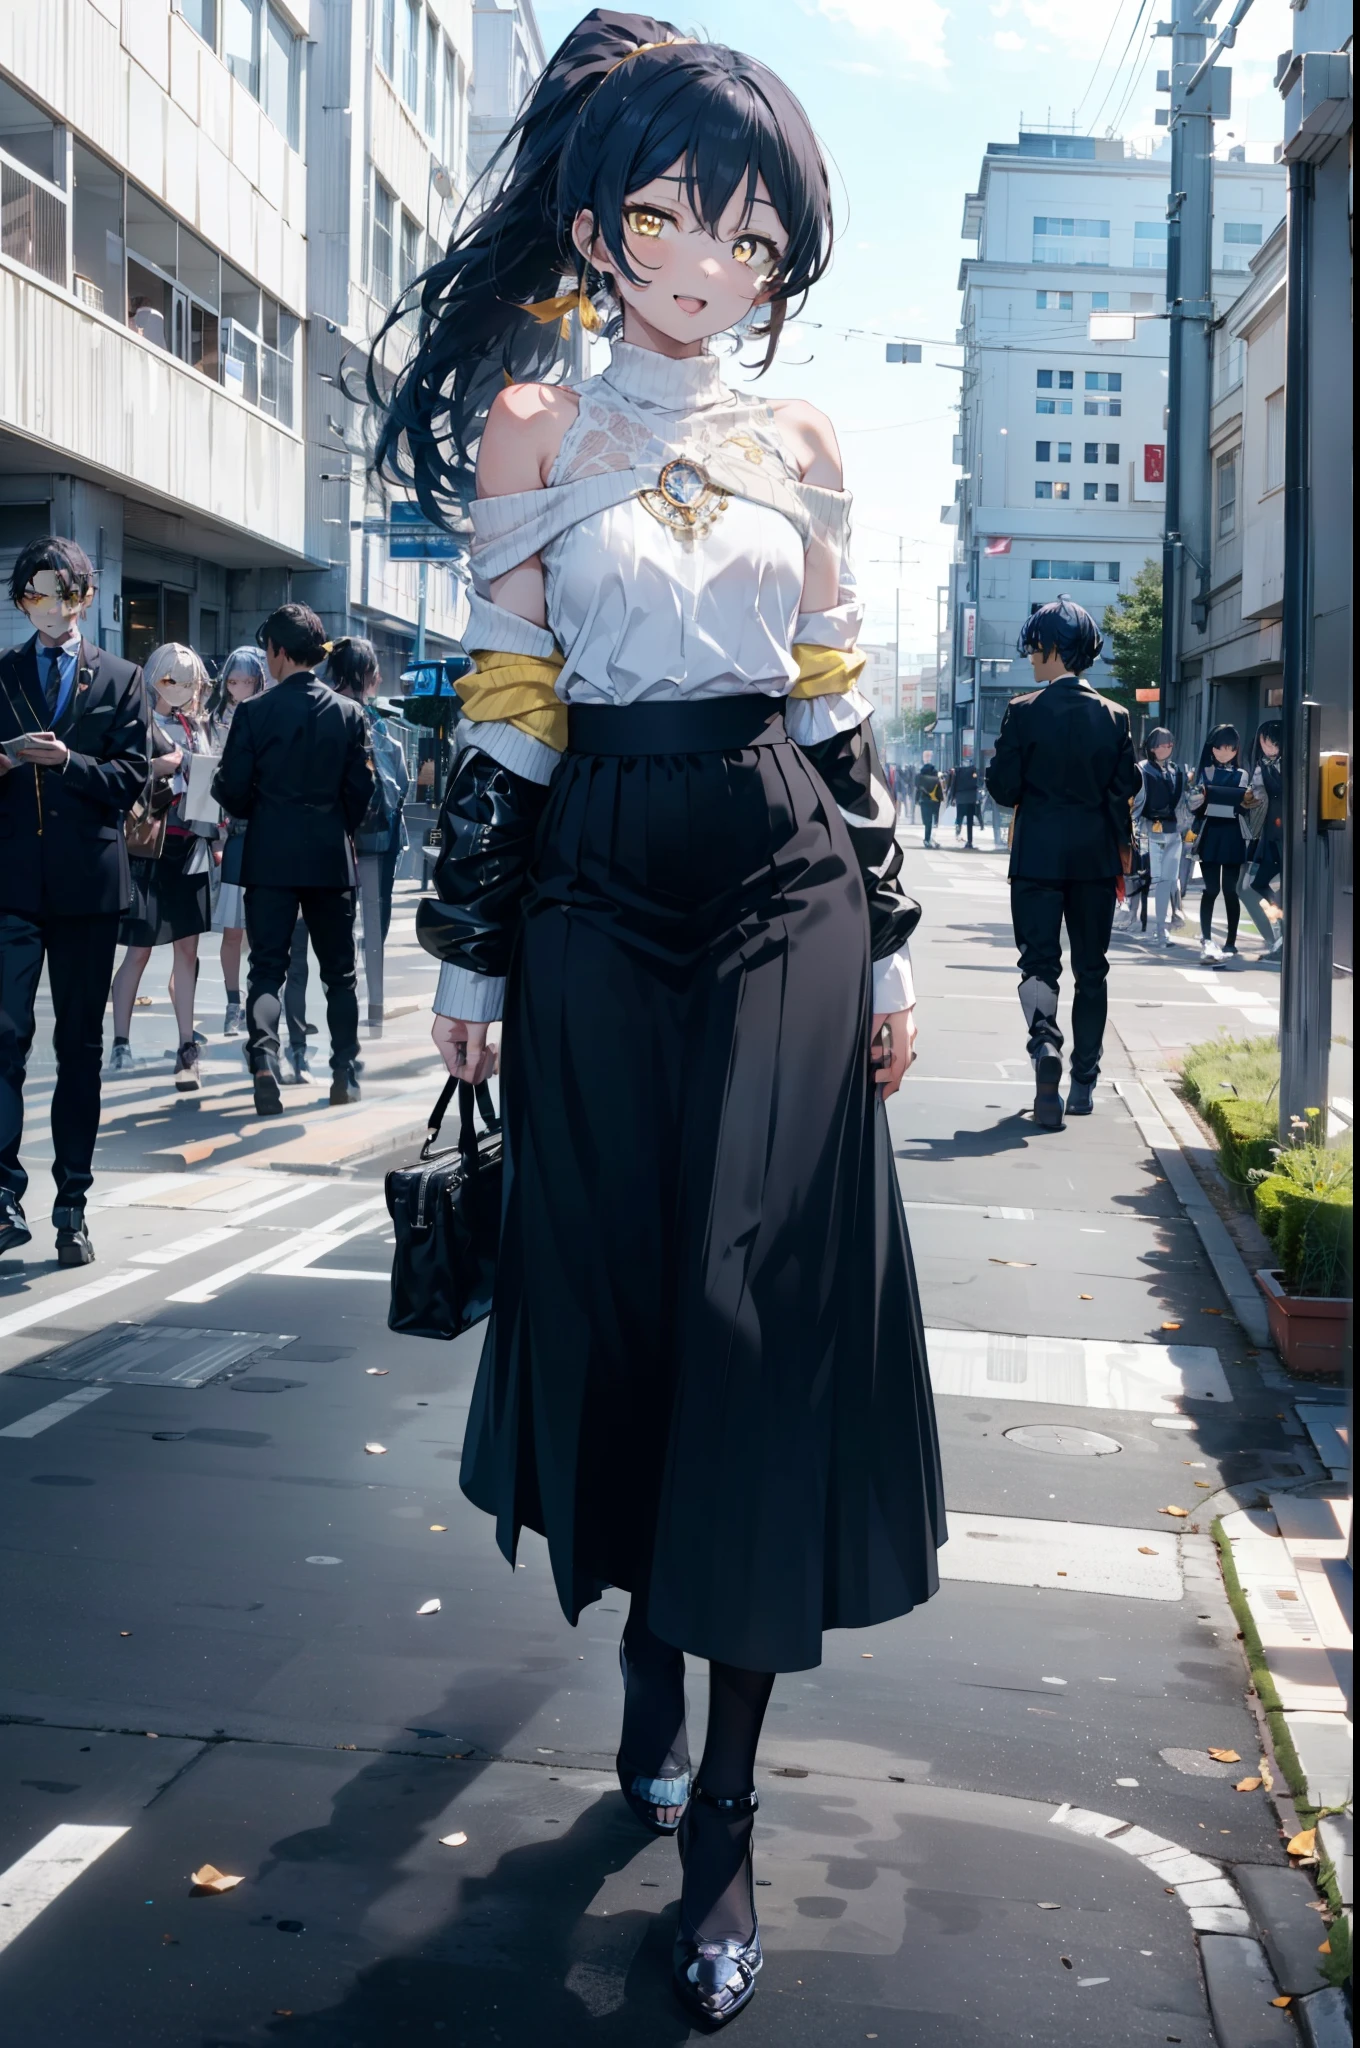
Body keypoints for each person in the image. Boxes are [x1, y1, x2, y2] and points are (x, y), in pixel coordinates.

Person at [371, 15, 944, 2029]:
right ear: (600, 229)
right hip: (596, 884)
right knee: (615, 1298)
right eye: (674, 219)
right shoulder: (528, 422)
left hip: (781, 877)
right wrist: (464, 954)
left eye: (750, 229)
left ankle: (725, 1825)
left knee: (747, 1323)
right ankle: (645, 1629)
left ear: (784, 253)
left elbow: (833, 706)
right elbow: (508, 697)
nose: (712, 258)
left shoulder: (805, 447)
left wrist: (881, 946)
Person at [0, 536, 148, 1265]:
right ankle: (2, 1194)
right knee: (3, 1037)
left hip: (90, 886)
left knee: (78, 1047)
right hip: (12, 882)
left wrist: (69, 760)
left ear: (85, 597)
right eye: (34, 593)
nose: (49, 606)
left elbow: (131, 777)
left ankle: (72, 1202)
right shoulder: (0, 675)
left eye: (61, 593)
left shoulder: (121, 678)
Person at [211, 603, 374, 1117]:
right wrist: (336, 823)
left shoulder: (255, 712)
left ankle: (264, 1061)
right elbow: (361, 792)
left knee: (267, 968)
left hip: (270, 854)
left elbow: (233, 792)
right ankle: (344, 1069)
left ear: (279, 652)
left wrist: (246, 799)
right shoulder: (350, 714)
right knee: (339, 972)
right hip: (329, 855)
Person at [985, 594, 1139, 1127]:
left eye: (1035, 648)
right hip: (1095, 859)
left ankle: (1044, 1044)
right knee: (1092, 971)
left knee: (1039, 964)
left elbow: (1003, 788)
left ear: (1054, 649)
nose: (1030, 657)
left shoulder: (1023, 712)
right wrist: (1126, 853)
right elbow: (1124, 793)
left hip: (1036, 857)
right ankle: (1083, 1082)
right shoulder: (1117, 718)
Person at [108, 645, 217, 1088]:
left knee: (187, 951)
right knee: (139, 949)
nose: (180, 689)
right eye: (172, 679)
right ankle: (120, 1042)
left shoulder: (198, 726)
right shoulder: (138, 721)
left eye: (187, 682)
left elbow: (210, 787)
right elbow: (121, 773)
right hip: (147, 847)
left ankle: (187, 1046)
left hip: (189, 845)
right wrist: (160, 767)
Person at [322, 637, 410, 1034]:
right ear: (370, 677)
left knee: (333, 925)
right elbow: (401, 783)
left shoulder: (324, 713)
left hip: (334, 834)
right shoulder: (379, 725)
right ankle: (374, 1007)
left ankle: (335, 1004)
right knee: (375, 923)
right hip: (377, 837)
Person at [206, 646, 269, 1034]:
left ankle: (260, 1002)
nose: (240, 688)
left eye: (248, 680)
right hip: (231, 833)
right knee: (232, 929)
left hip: (263, 834)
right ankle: (233, 1005)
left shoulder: (268, 714)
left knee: (265, 930)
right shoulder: (212, 722)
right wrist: (215, 835)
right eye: (234, 681)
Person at [1190, 723, 1254, 964]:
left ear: (1236, 750)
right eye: (1220, 747)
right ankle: (1206, 938)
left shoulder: (1242, 774)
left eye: (1230, 748)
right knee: (1211, 889)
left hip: (1233, 834)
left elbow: (1243, 803)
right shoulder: (1204, 772)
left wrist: (1214, 796)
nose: (1224, 752)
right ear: (1212, 748)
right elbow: (1195, 803)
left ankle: (1231, 942)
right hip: (1210, 834)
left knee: (1230, 890)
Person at [1130, 727, 1191, 948]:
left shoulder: (1176, 771)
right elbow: (1135, 802)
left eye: (1169, 744)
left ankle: (1161, 930)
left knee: (1167, 881)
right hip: (1147, 830)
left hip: (1172, 831)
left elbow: (1183, 803)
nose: (1166, 748)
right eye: (1162, 744)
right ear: (1152, 747)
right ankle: (1144, 924)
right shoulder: (1142, 770)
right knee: (1150, 881)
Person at [1240, 717, 1284, 958]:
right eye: (1265, 743)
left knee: (1263, 885)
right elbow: (1256, 799)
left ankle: (1281, 936)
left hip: (1284, 835)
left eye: (1273, 744)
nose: (1269, 748)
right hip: (1269, 834)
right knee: (1256, 884)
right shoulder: (1261, 767)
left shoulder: (1289, 766)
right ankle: (1280, 930)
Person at [949, 752, 979, 848]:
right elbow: (977, 784)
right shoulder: (973, 772)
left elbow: (954, 785)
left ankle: (958, 831)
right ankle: (969, 841)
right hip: (971, 799)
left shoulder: (958, 772)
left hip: (960, 798)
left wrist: (952, 797)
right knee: (970, 821)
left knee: (959, 817)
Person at [916, 750, 944, 846]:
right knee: (933, 822)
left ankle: (927, 839)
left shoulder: (920, 776)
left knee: (927, 822)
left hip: (924, 801)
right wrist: (941, 800)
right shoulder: (936, 777)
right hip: (934, 801)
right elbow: (939, 791)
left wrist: (917, 800)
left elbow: (918, 789)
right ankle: (930, 839)